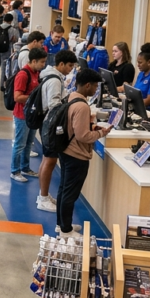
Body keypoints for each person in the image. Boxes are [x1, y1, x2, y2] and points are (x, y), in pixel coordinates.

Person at [57, 69, 112, 237]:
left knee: (64, 189)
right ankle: (66, 230)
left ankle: (61, 224)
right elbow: (82, 136)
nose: (96, 90)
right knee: (70, 193)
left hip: (65, 150)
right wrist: (101, 133)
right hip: (76, 155)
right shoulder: (82, 106)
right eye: (95, 86)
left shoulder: (71, 97)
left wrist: (92, 126)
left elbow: (75, 125)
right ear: (88, 85)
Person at [37, 50, 77, 213]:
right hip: (51, 125)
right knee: (50, 161)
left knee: (46, 160)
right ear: (61, 64)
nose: (71, 69)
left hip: (47, 123)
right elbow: (54, 105)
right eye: (69, 66)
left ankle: (43, 195)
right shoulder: (54, 80)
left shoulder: (52, 76)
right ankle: (43, 198)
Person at [11, 48, 48, 182]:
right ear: (33, 61)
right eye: (42, 62)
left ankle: (25, 168)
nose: (43, 65)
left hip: (32, 115)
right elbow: (17, 97)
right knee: (20, 144)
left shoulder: (36, 73)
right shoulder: (23, 75)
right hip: (22, 115)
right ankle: (15, 171)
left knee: (28, 144)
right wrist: (35, 98)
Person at [0, 13, 19, 90]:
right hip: (7, 50)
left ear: (3, 19)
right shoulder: (13, 30)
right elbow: (16, 40)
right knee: (4, 67)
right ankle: (2, 85)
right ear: (11, 21)